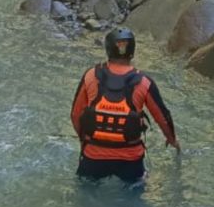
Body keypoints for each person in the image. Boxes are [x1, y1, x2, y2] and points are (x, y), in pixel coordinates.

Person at [70, 28, 179, 185]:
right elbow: (162, 117)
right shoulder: (144, 82)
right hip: (130, 160)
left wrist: (84, 141)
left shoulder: (90, 76)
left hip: (93, 157)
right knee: (136, 191)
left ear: (108, 49)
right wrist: (172, 140)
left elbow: (75, 114)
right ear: (132, 50)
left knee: (85, 192)